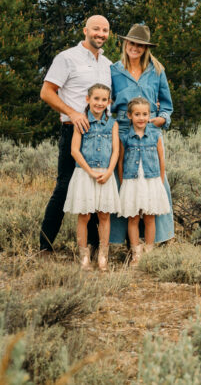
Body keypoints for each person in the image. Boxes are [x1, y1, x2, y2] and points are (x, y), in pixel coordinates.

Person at [39, 15, 113, 256]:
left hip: (101, 134)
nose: (100, 34)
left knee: (95, 189)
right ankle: (44, 247)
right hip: (75, 130)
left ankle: (91, 247)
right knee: (64, 187)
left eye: (105, 30)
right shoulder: (67, 58)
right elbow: (47, 92)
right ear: (85, 31)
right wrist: (72, 113)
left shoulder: (108, 64)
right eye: (96, 29)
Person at [109, 24, 175, 248]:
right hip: (123, 132)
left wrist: (161, 119)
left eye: (139, 44)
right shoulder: (114, 70)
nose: (134, 47)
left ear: (146, 48)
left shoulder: (156, 71)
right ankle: (122, 241)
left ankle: (159, 239)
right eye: (131, 42)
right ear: (125, 43)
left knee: (156, 181)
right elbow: (107, 101)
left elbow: (167, 105)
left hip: (150, 132)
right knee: (122, 182)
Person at [63, 83, 120, 271]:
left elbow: (115, 151)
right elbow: (74, 151)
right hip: (85, 174)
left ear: (109, 102)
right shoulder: (81, 122)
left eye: (104, 100)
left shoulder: (112, 124)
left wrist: (109, 171)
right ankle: (84, 256)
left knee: (104, 215)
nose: (100, 103)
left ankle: (103, 256)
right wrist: (90, 172)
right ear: (88, 99)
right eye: (96, 99)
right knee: (84, 215)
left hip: (105, 173)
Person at [118, 97, 170, 265]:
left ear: (150, 115)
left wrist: (160, 182)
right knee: (132, 218)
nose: (141, 118)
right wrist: (122, 183)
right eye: (137, 114)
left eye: (145, 114)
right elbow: (120, 161)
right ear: (129, 115)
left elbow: (161, 159)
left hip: (151, 180)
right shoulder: (125, 137)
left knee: (149, 218)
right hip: (131, 181)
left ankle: (149, 252)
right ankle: (136, 253)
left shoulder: (155, 134)